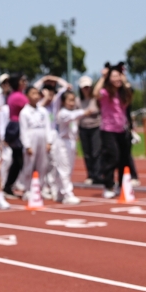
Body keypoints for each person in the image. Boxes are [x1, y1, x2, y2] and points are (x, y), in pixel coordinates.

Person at [93, 63, 133, 199]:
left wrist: (123, 77)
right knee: (112, 157)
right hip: (108, 130)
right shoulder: (105, 92)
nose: (117, 79)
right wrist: (103, 77)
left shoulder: (123, 93)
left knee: (124, 159)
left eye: (118, 76)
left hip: (122, 130)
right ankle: (108, 185)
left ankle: (121, 184)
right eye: (114, 76)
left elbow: (130, 93)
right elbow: (95, 93)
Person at [55, 91, 92, 204]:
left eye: (73, 100)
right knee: (64, 169)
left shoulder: (72, 113)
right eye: (69, 100)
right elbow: (73, 116)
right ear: (63, 102)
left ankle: (60, 192)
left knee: (69, 169)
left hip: (71, 143)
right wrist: (84, 111)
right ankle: (68, 194)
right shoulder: (63, 113)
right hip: (62, 143)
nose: (72, 103)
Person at [18, 86, 51, 199]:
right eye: (33, 93)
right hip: (31, 137)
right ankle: (27, 189)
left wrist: (49, 141)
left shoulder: (43, 110)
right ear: (27, 96)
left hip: (42, 136)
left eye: (37, 93)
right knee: (29, 165)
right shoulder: (24, 112)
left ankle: (40, 188)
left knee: (43, 165)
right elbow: (23, 130)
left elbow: (48, 126)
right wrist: (27, 145)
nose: (36, 96)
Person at [1, 73, 28, 196]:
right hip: (17, 128)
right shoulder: (18, 96)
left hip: (15, 127)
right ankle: (10, 185)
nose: (25, 83)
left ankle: (9, 185)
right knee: (19, 160)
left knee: (17, 160)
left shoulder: (15, 95)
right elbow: (32, 107)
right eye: (22, 81)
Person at [77, 76, 102, 184]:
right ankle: (90, 175)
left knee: (96, 152)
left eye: (88, 87)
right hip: (83, 128)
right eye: (84, 87)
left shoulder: (96, 99)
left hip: (96, 127)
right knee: (87, 153)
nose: (86, 89)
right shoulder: (78, 101)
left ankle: (98, 174)